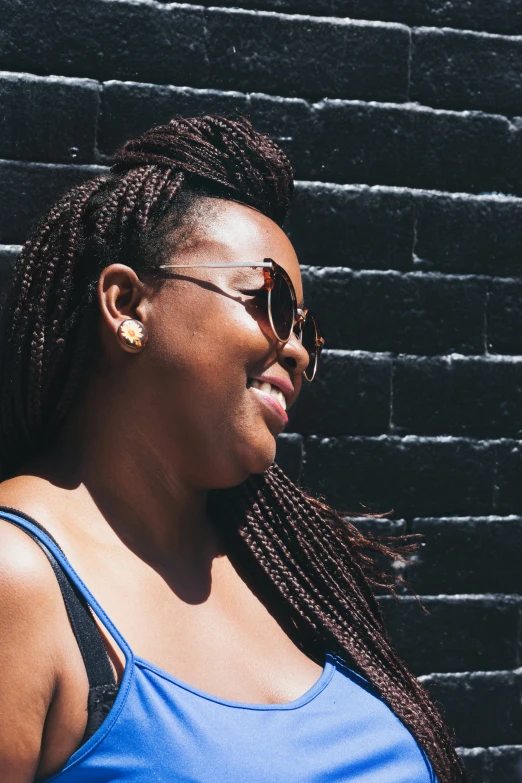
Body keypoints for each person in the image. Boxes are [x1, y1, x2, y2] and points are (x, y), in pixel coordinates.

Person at [0, 115, 466, 782]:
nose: (298, 349)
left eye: (308, 329)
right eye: (268, 302)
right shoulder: (20, 578)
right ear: (128, 303)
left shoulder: (282, 562)